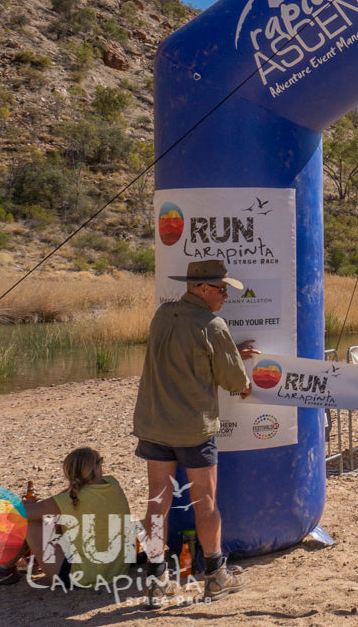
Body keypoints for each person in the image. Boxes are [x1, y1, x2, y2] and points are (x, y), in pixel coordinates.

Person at [133, 259, 258, 606]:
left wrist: (228, 353)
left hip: (155, 423)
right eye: (221, 290)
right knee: (206, 500)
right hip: (193, 428)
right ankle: (216, 575)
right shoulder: (212, 324)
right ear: (203, 289)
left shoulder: (163, 315)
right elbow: (234, 381)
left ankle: (158, 579)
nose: (225, 296)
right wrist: (241, 372)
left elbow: (183, 357)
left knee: (158, 499)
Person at [0, 447, 133, 589]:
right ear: (98, 467)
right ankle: (29, 560)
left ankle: (3, 570)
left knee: (29, 521)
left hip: (81, 578)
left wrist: (26, 505)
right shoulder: (112, 483)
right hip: (116, 570)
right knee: (54, 518)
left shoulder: (70, 499)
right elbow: (64, 504)